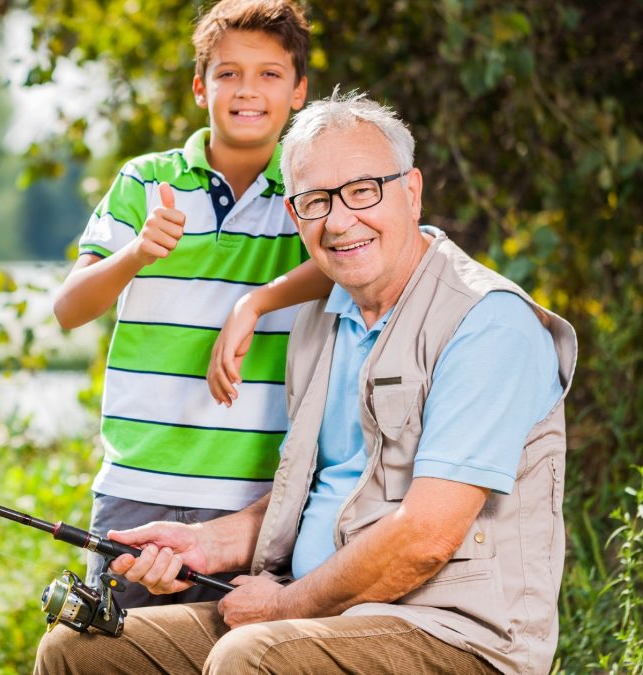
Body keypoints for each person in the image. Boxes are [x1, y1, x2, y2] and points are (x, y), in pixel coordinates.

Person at [36, 89, 577, 674]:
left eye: (364, 190)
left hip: (455, 634)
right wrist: (207, 544)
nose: (341, 221)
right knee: (80, 653)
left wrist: (285, 604)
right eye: (316, 202)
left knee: (251, 656)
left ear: (412, 192)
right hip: (321, 612)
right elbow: (322, 492)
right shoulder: (322, 321)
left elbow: (426, 534)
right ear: (296, 217)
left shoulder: (487, 321)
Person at [52, 0, 334, 610]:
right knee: (111, 654)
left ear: (299, 91)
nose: (247, 90)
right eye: (228, 73)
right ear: (200, 87)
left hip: (253, 499)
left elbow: (351, 261)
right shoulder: (144, 179)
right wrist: (135, 255)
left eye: (269, 74)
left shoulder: (310, 190)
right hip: (137, 486)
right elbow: (69, 310)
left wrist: (254, 304)